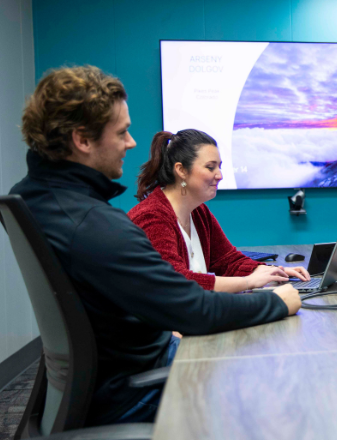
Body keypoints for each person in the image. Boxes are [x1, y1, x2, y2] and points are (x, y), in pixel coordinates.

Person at [11, 65, 302, 429]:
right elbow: (192, 310)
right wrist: (276, 301)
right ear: (82, 140)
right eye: (121, 132)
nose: (132, 143)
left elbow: (202, 280)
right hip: (136, 388)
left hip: (116, 374)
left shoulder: (34, 197)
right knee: (274, 384)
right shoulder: (94, 226)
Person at [128, 129, 309, 292]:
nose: (220, 175)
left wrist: (275, 272)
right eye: (210, 167)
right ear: (181, 170)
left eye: (219, 166)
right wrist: (248, 282)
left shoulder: (199, 213)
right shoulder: (152, 217)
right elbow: (175, 282)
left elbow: (228, 260)